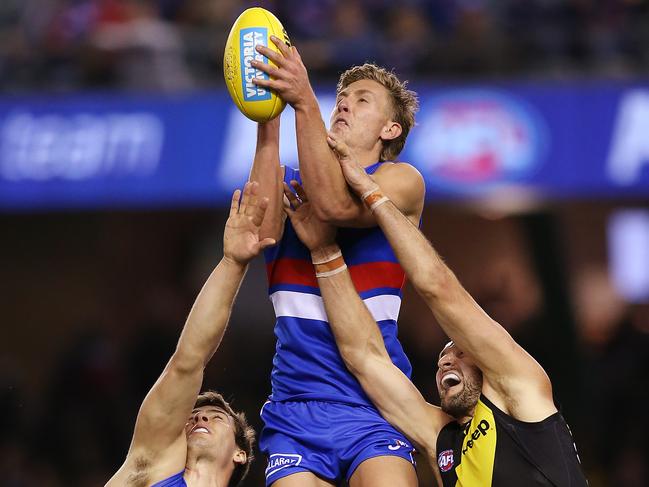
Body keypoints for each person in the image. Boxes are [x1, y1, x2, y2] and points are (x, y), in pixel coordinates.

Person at [283, 133, 589, 487]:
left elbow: (439, 289)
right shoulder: (439, 440)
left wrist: (373, 194)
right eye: (442, 358)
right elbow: (364, 358)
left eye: (458, 353)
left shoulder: (520, 387)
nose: (445, 362)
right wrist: (324, 253)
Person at [248, 37, 423, 487]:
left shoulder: (401, 183)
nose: (343, 105)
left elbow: (337, 208)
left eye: (362, 100)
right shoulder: (289, 183)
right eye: (340, 99)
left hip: (377, 400)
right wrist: (267, 117)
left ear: (391, 130)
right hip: (296, 404)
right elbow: (260, 233)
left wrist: (305, 100)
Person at [106, 182, 275, 487]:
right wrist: (232, 263)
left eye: (215, 417)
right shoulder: (150, 465)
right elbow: (188, 361)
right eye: (193, 417)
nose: (199, 419)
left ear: (240, 454)